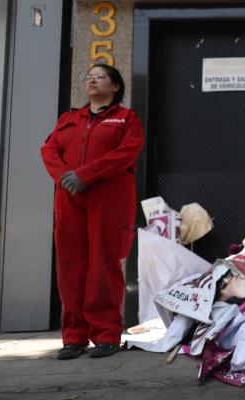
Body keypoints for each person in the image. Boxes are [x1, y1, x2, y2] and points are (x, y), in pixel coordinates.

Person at [41, 64, 144, 359]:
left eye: (99, 76)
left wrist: (85, 174)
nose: (92, 80)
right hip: (70, 198)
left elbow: (125, 153)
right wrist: (64, 177)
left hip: (108, 199)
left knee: (103, 266)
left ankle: (106, 335)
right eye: (89, 77)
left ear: (115, 86)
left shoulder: (126, 119)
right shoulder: (69, 119)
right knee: (70, 268)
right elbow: (48, 150)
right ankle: (74, 337)